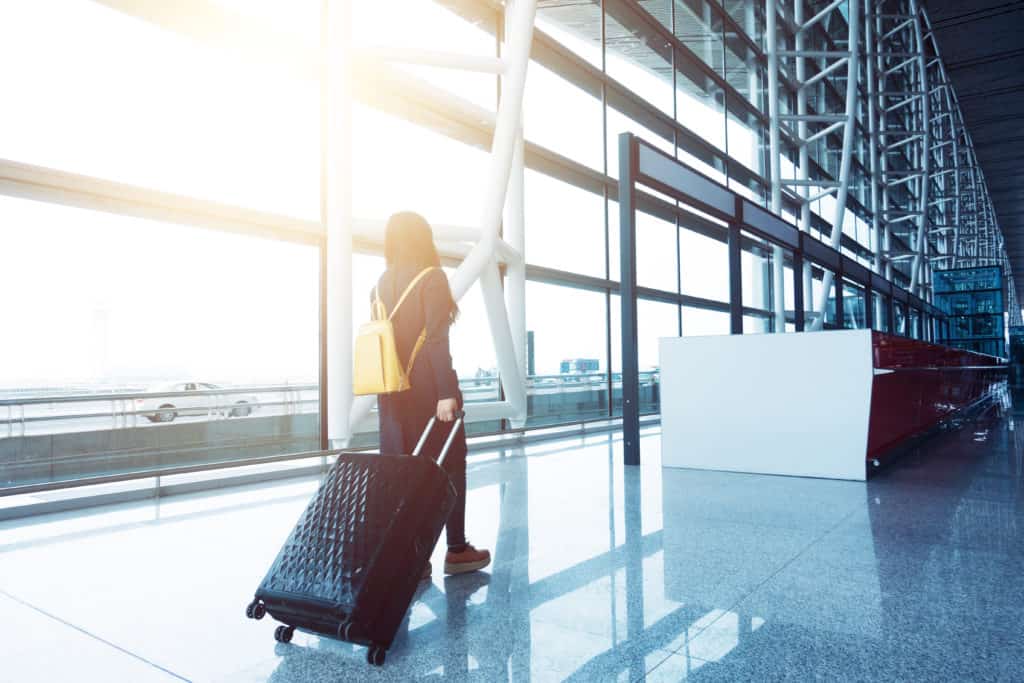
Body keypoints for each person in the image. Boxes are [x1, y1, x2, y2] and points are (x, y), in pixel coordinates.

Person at [374, 211, 491, 579]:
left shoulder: (379, 284)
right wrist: (446, 393)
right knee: (451, 465)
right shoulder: (432, 279)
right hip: (429, 392)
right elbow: (437, 340)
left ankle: (412, 555)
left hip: (392, 396)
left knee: (403, 474)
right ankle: (456, 549)